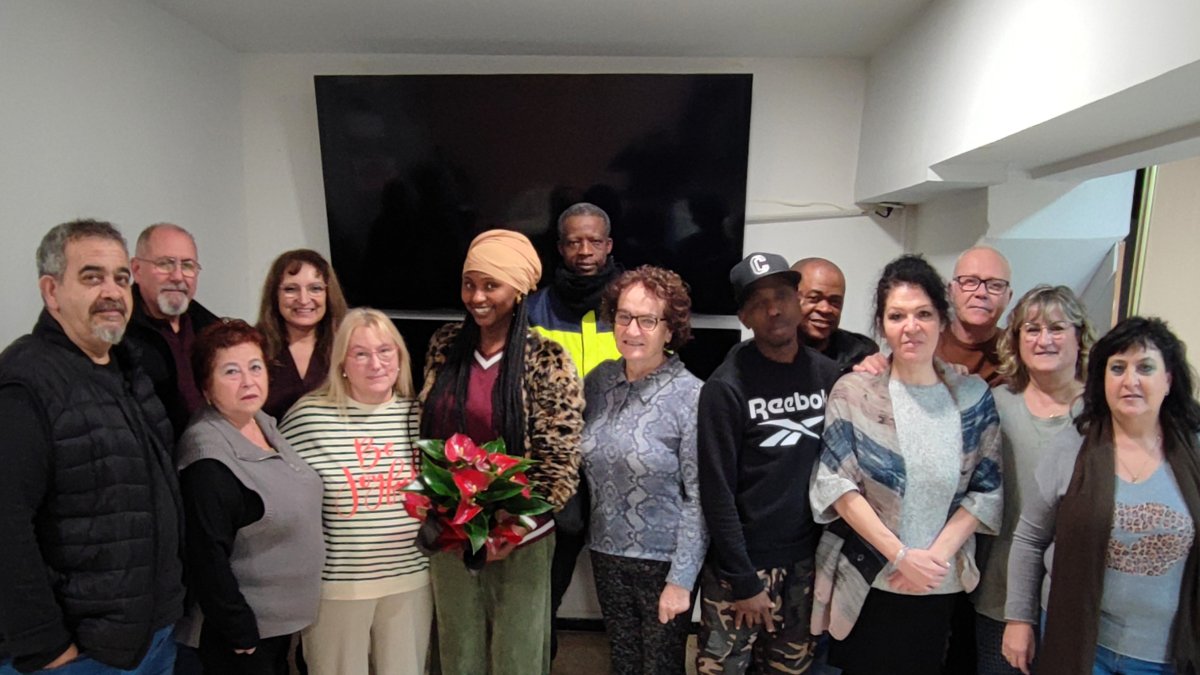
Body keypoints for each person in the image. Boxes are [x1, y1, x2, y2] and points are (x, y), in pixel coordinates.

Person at [0, 219, 185, 673]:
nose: (112, 292)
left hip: (150, 637)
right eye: (92, 277)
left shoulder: (126, 370)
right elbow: (5, 525)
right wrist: (46, 647)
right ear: (51, 291)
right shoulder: (26, 382)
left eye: (121, 278)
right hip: (79, 654)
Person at [810, 254, 1002, 675]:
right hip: (868, 580)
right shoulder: (855, 392)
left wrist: (931, 559)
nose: (911, 327)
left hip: (939, 582)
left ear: (941, 319)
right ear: (882, 324)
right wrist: (899, 556)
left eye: (923, 314)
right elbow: (836, 485)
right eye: (897, 315)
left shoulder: (972, 397)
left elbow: (987, 489)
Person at [419, 229, 585, 674]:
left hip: (521, 539)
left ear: (519, 290)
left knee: (518, 654)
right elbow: (428, 435)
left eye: (491, 285)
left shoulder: (548, 358)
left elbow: (559, 462)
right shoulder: (443, 346)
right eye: (470, 283)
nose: (477, 296)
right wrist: (437, 505)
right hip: (452, 533)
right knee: (457, 648)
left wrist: (510, 529)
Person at [1004, 317, 1200, 675]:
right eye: (1118, 368)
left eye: (1145, 367)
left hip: (1162, 654)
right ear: (1103, 379)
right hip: (1078, 643)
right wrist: (1018, 619)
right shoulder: (1069, 447)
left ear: (1168, 379)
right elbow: (1030, 539)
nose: (1131, 381)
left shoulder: (1195, 453)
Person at [696, 252, 841, 674]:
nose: (773, 309)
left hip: (806, 564)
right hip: (741, 568)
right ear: (743, 315)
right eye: (758, 302)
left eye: (781, 295)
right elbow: (716, 493)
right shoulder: (725, 388)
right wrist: (743, 580)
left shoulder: (830, 376)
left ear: (799, 302)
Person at [279, 308, 431, 675]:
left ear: (400, 357)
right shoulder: (307, 417)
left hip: (410, 580)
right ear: (342, 362)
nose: (375, 363)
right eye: (360, 353)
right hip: (338, 588)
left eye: (385, 351)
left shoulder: (419, 415)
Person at [177, 319, 324, 675]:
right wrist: (239, 630)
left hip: (280, 628)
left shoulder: (262, 423)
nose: (248, 381)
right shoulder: (207, 458)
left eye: (255, 367)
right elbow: (206, 557)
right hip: (241, 639)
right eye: (231, 372)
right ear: (207, 388)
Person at [581, 266, 706, 675]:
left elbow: (699, 498)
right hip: (605, 552)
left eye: (648, 320)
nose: (632, 329)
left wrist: (682, 580)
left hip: (664, 562)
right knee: (623, 662)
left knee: (661, 667)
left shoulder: (692, 396)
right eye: (623, 316)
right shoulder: (599, 382)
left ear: (670, 330)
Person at [971, 286, 1094, 675]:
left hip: (1077, 598)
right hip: (999, 594)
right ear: (1016, 339)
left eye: (1057, 328)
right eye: (1031, 329)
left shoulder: (1103, 412)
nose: (1044, 340)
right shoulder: (996, 403)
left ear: (1079, 337)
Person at [526, 202, 623, 657]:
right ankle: (537, 652)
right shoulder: (533, 306)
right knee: (549, 572)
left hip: (619, 455)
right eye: (574, 241)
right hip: (555, 460)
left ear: (608, 246)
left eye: (593, 241)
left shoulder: (631, 304)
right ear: (561, 247)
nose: (584, 251)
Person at [127, 222, 219, 438]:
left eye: (187, 265)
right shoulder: (117, 335)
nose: (177, 276)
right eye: (166, 264)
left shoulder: (212, 330)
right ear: (137, 270)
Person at [256, 249, 348, 420]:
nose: (304, 299)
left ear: (329, 295)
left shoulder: (348, 346)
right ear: (274, 295)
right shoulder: (253, 346)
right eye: (291, 289)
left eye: (315, 288)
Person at [791, 257, 879, 373]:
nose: (825, 309)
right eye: (814, 298)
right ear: (789, 299)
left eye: (834, 301)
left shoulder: (858, 355)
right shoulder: (768, 351)